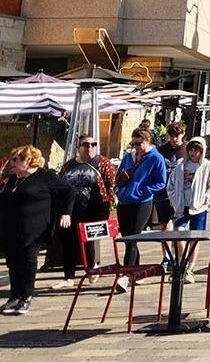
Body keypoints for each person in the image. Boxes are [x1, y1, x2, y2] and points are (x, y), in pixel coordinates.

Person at [0, 146, 72, 315]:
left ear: (28, 161)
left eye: (16, 159)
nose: (12, 162)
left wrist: (66, 213)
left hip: (35, 227)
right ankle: (15, 296)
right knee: (13, 262)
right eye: (12, 159)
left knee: (28, 261)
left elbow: (69, 190)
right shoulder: (13, 179)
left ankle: (26, 296)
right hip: (12, 228)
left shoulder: (44, 177)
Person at [54, 135, 116, 288]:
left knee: (89, 241)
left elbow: (111, 185)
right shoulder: (69, 165)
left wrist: (109, 205)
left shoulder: (102, 163)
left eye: (93, 144)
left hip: (93, 209)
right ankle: (68, 276)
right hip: (70, 211)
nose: (90, 148)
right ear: (78, 146)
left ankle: (92, 269)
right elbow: (61, 185)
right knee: (69, 242)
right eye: (86, 145)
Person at [166, 137, 210, 282]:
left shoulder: (208, 166)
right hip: (181, 206)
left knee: (195, 238)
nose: (193, 153)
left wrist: (206, 199)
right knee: (178, 233)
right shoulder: (181, 166)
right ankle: (182, 263)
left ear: (202, 151)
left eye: (196, 150)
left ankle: (190, 268)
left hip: (198, 207)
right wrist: (174, 199)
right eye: (190, 150)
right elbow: (170, 185)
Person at [115, 128, 168, 272]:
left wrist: (142, 192)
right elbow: (119, 175)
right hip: (124, 202)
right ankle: (136, 271)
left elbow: (161, 182)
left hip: (142, 202)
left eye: (139, 143)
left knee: (133, 238)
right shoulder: (128, 157)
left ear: (147, 141)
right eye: (133, 144)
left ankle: (126, 274)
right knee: (127, 239)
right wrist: (118, 191)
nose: (136, 147)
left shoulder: (156, 158)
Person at [154, 121, 187, 229]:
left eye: (177, 135)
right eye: (172, 136)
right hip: (163, 193)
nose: (174, 139)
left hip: (180, 192)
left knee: (180, 227)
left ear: (183, 134)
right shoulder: (161, 150)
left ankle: (178, 246)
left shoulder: (188, 150)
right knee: (165, 225)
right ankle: (166, 246)